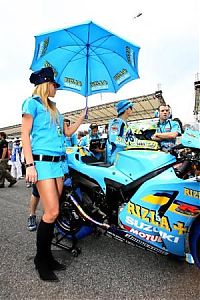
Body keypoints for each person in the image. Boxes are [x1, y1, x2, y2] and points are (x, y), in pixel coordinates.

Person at [21, 66, 86, 282]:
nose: (56, 88)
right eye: (54, 84)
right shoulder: (32, 103)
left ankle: (47, 257)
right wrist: (29, 165)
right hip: (42, 164)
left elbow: (67, 133)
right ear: (45, 84)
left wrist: (81, 118)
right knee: (51, 212)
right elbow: (24, 135)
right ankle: (41, 261)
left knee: (54, 213)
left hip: (59, 165)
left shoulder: (56, 110)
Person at [107, 99, 133, 164]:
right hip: (116, 156)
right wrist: (128, 144)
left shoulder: (126, 124)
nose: (132, 110)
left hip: (124, 156)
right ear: (126, 109)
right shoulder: (116, 122)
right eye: (131, 108)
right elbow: (113, 138)